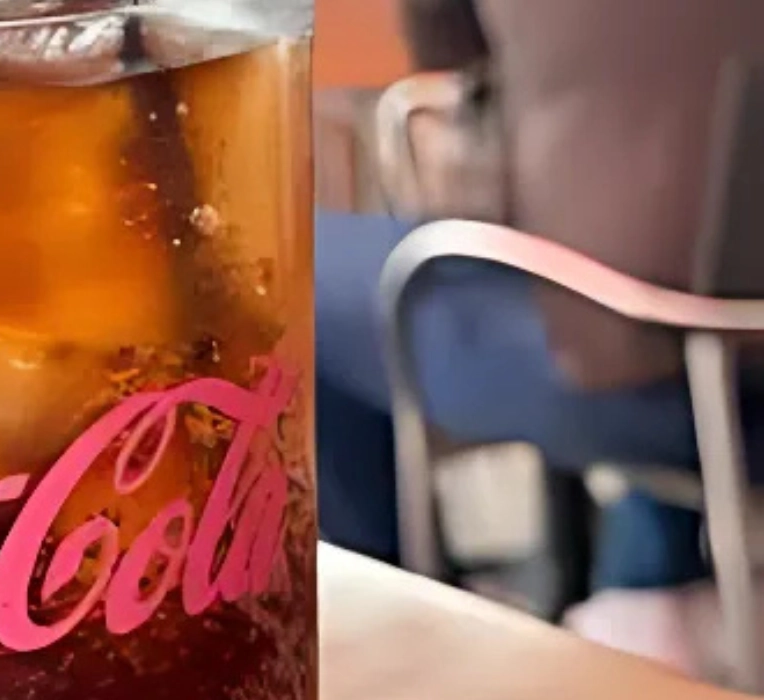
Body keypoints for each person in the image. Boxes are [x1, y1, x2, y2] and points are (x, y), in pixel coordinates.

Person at [317, 0, 764, 676]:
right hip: (719, 344)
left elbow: (445, 46)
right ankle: (654, 587)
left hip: (666, 363)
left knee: (302, 272)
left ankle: (390, 647)